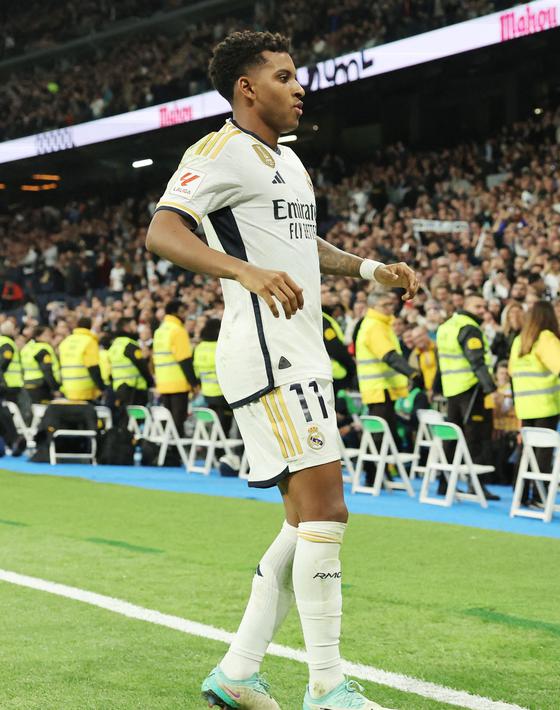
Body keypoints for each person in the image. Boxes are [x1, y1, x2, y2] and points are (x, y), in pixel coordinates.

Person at [144, 30, 417, 710]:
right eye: (286, 76)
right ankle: (327, 686)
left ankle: (238, 673)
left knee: (304, 523)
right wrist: (242, 270)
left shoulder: (286, 163)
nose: (301, 88)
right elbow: (163, 230)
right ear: (247, 87)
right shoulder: (219, 152)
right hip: (265, 355)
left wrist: (368, 270)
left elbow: (299, 241)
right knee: (327, 510)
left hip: (301, 354)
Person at [437, 293, 500, 499]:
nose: (483, 310)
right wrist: (491, 388)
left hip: (452, 390)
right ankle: (477, 485)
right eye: (478, 306)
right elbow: (477, 361)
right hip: (471, 390)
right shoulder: (469, 328)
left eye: (484, 306)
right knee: (477, 438)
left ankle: (444, 483)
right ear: (465, 306)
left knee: (451, 437)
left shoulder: (447, 326)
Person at [509, 301, 560, 504]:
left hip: (524, 407)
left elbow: (511, 373)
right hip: (545, 405)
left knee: (525, 452)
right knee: (542, 454)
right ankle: (538, 496)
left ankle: (520, 494)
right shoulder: (546, 338)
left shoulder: (519, 340)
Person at [355, 288, 416, 447]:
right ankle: (375, 471)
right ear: (373, 307)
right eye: (385, 305)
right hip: (379, 389)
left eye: (391, 304)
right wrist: (413, 373)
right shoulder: (375, 326)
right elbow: (389, 356)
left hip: (383, 388)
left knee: (388, 433)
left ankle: (380, 470)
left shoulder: (380, 324)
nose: (391, 307)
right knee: (381, 437)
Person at [153, 299, 197, 435]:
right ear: (175, 312)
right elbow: (184, 359)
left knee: (169, 422)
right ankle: (177, 453)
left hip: (163, 383)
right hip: (178, 383)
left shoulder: (159, 331)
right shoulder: (178, 330)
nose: (185, 315)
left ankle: (169, 451)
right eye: (182, 312)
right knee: (178, 422)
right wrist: (194, 383)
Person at [194, 318, 233, 435]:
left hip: (207, 394)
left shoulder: (199, 348)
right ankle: (222, 449)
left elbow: (196, 372)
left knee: (215, 424)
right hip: (223, 394)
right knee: (224, 425)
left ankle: (215, 447)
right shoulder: (221, 346)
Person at [108, 317, 153, 410]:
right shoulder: (130, 345)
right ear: (126, 327)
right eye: (134, 325)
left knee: (125, 418)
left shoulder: (115, 345)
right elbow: (142, 366)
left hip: (119, 387)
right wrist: (151, 382)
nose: (136, 328)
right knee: (135, 419)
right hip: (133, 389)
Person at [58, 317, 105, 402]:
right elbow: (93, 367)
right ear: (90, 327)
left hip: (68, 390)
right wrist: (102, 387)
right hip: (85, 390)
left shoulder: (66, 341)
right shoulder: (89, 341)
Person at [0, 321, 24, 455]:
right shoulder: (8, 344)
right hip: (9, 386)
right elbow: (2, 365)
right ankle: (13, 440)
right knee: (7, 413)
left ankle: (8, 442)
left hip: (6, 386)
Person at [20, 325, 59, 404]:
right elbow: (47, 370)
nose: (49, 337)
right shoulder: (43, 349)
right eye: (46, 335)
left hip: (27, 383)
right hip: (42, 384)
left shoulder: (26, 348)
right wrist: (55, 388)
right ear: (37, 337)